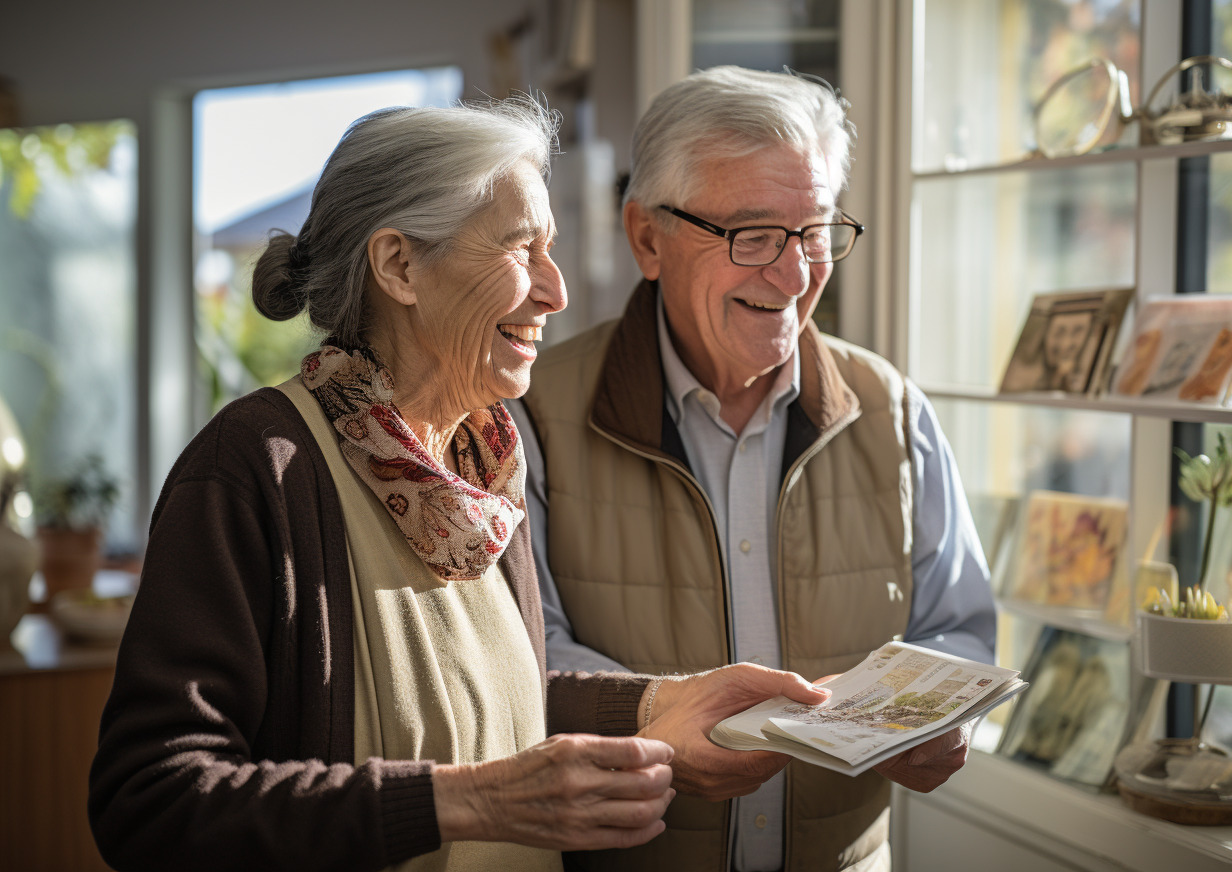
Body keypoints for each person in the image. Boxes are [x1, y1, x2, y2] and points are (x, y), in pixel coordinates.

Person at [87, 97, 832, 872]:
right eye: (522, 249)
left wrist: (660, 706)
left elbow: (493, 701)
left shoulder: (484, 464)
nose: (557, 290)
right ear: (400, 266)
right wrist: (468, 804)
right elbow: (149, 801)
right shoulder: (257, 467)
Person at [510, 66, 997, 871]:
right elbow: (525, 656)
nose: (795, 273)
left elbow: (960, 626)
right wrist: (657, 718)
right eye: (753, 234)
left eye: (813, 231)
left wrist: (943, 715)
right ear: (647, 239)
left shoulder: (894, 410)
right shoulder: (532, 418)